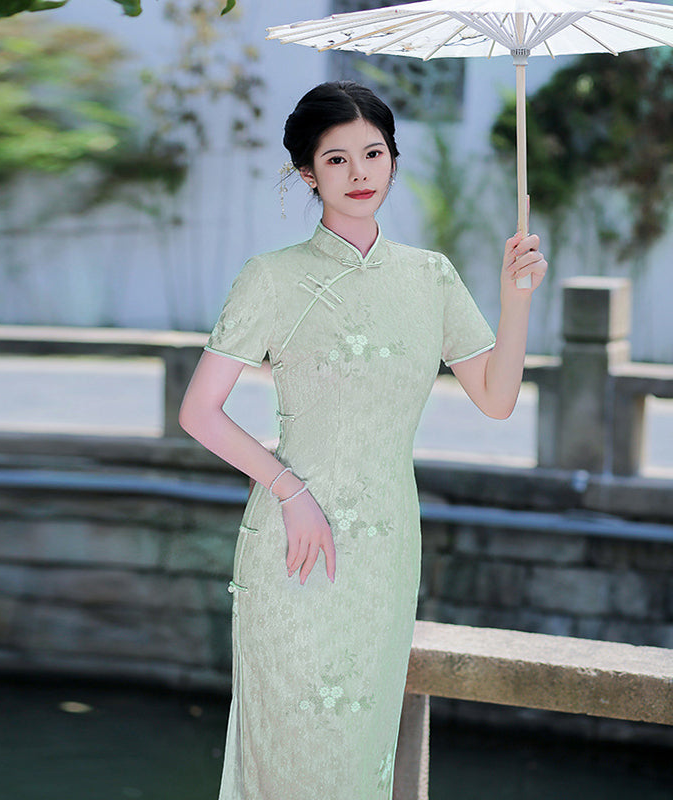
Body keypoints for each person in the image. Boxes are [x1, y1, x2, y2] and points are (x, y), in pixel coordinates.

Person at [179, 81, 547, 800]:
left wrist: (516, 300)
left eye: (373, 153)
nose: (360, 173)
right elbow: (201, 412)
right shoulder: (272, 278)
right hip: (293, 545)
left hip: (383, 551)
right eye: (338, 159)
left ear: (392, 158)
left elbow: (497, 400)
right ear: (308, 174)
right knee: (287, 753)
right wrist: (291, 491)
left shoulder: (430, 277)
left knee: (358, 758)